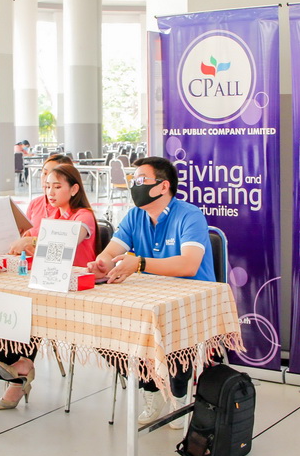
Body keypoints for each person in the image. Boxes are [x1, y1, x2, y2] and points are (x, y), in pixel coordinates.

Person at [87, 156, 214, 429]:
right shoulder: (135, 216)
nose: (135, 186)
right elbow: (111, 252)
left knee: (176, 330)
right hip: (148, 297)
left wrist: (140, 263)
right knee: (107, 330)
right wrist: (102, 263)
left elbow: (189, 265)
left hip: (190, 298)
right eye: (133, 180)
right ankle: (152, 389)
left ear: (163, 186)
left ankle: (179, 395)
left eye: (141, 180)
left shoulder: (189, 215)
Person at [0, 164, 98, 410]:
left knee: (30, 306)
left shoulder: (84, 216)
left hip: (81, 290)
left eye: (57, 187)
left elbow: (69, 238)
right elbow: (31, 237)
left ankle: (20, 370)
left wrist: (32, 240)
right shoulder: (53, 216)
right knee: (18, 303)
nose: (50, 192)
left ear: (74, 189)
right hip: (53, 284)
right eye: (47, 186)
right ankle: (21, 368)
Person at [0, 153, 73, 380]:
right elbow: (23, 232)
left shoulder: (68, 211)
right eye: (44, 174)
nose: (47, 180)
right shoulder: (36, 203)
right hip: (26, 266)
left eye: (54, 177)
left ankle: (12, 368)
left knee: (24, 303)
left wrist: (30, 241)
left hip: (49, 272)